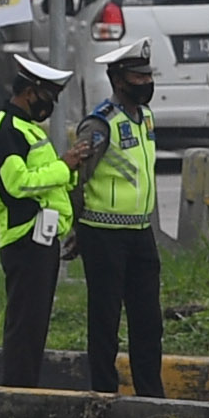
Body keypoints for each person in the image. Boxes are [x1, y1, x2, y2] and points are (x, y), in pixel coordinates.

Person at [70, 39, 165, 398]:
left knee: (148, 323)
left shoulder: (146, 118)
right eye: (137, 77)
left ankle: (150, 396)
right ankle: (104, 395)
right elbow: (78, 178)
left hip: (141, 233)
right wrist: (78, 228)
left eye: (147, 75)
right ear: (118, 80)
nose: (145, 83)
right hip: (102, 233)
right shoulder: (100, 124)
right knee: (105, 321)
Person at [0, 51, 77, 387]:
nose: (50, 105)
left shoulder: (27, 129)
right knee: (25, 326)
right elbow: (17, 183)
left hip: (41, 238)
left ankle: (26, 390)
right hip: (24, 240)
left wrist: (71, 172)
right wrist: (65, 165)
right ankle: (17, 395)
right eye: (48, 97)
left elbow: (46, 180)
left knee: (35, 326)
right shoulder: (4, 132)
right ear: (30, 92)